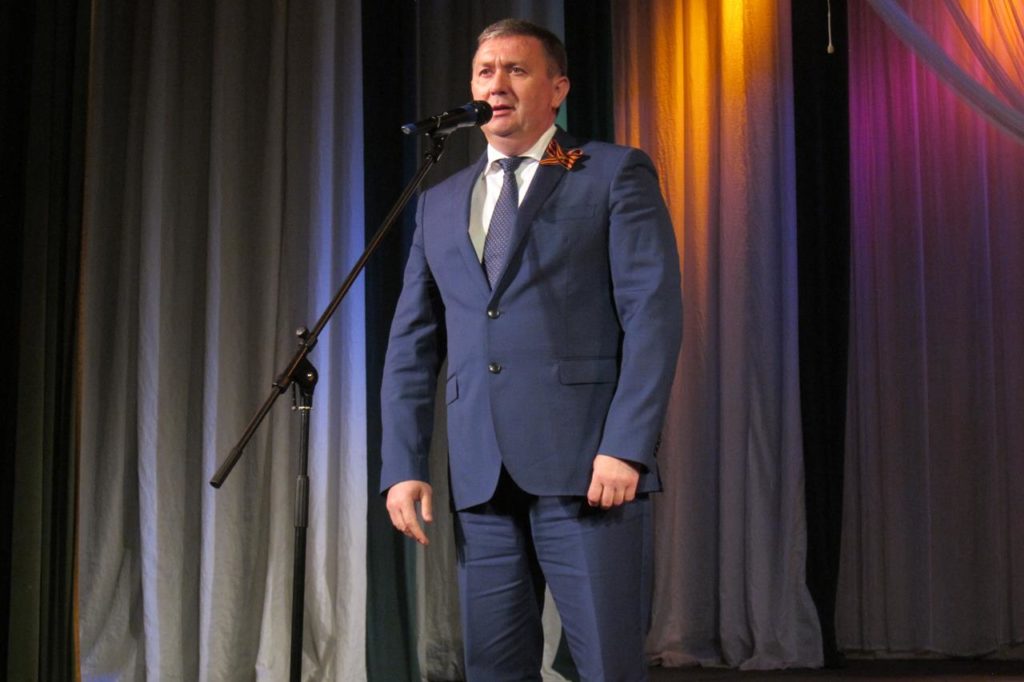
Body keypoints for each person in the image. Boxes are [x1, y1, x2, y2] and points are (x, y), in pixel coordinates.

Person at [380, 18, 681, 682]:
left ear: (558, 89)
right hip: (482, 475)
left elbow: (653, 318)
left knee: (606, 665)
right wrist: (402, 464)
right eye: (485, 71)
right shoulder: (438, 202)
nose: (497, 84)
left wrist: (627, 444)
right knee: (493, 667)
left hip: (588, 470)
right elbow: (412, 345)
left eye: (516, 70)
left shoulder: (610, 172)